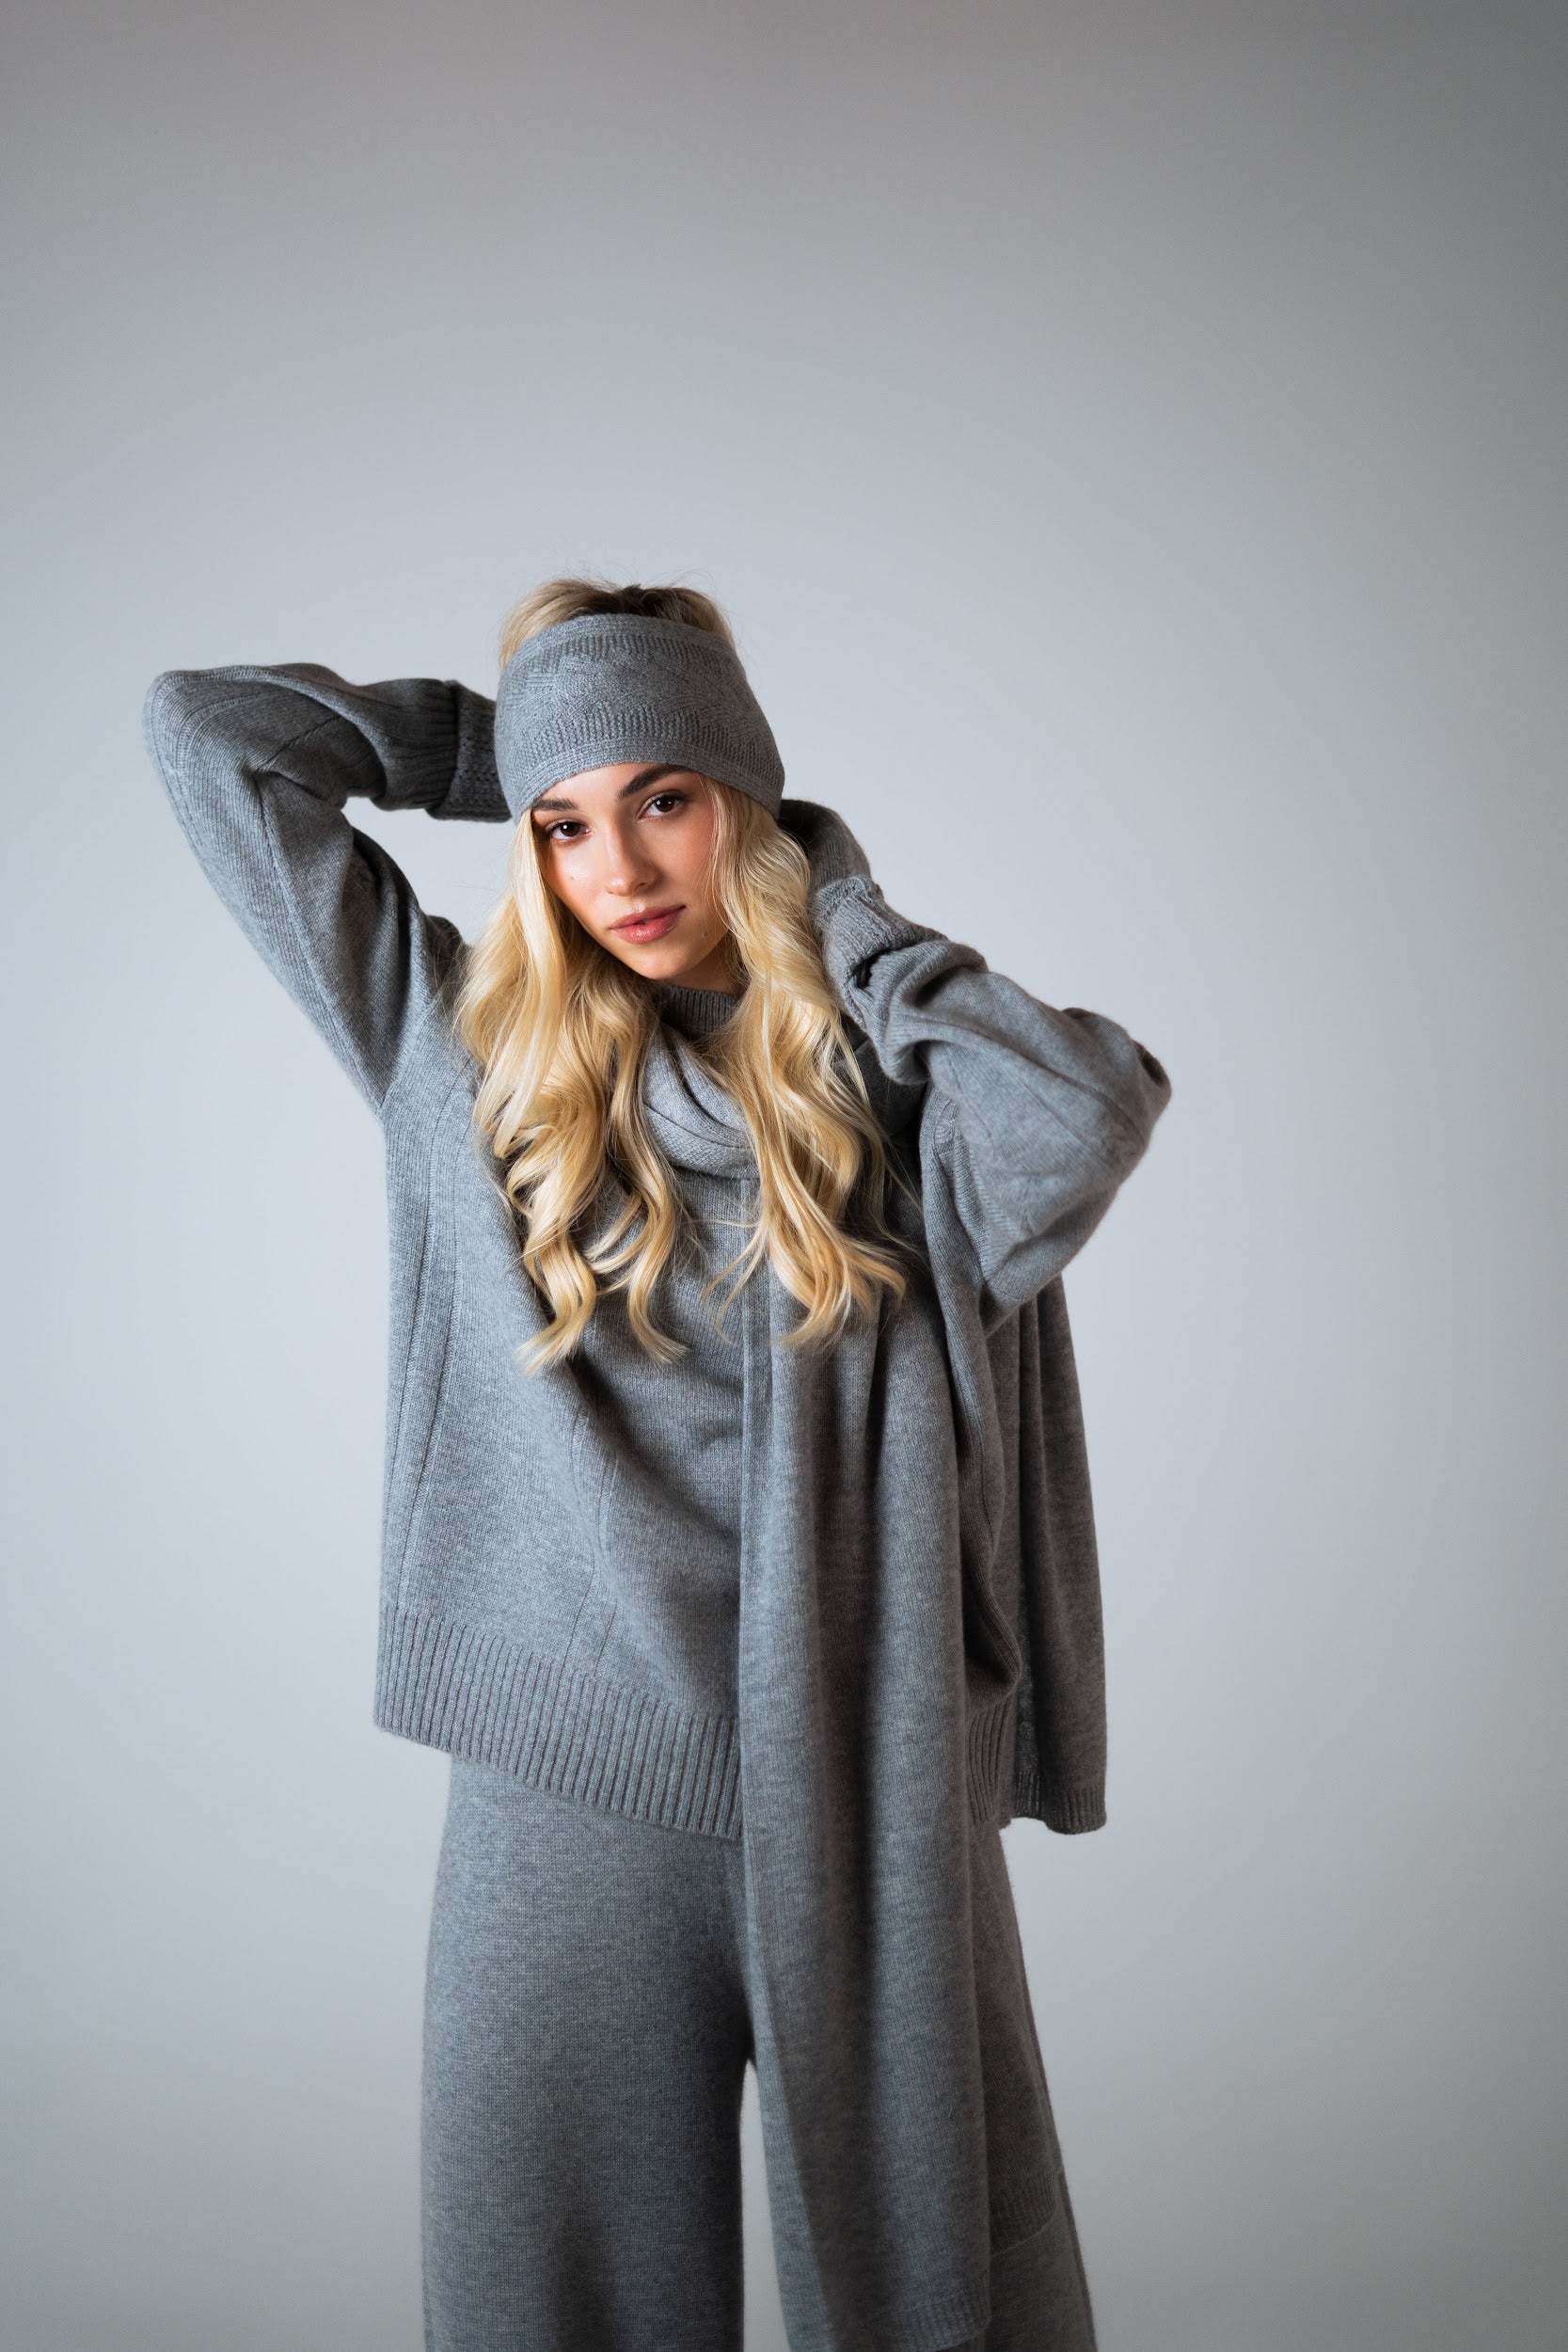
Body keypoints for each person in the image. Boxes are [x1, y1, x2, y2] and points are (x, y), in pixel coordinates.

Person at [142, 578, 1172, 2352]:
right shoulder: (456, 1046)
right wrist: (517, 742)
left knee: (949, 2299)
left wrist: (841, 910)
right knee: (547, 2311)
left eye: (666, 799)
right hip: (567, 1806)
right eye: (564, 825)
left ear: (744, 801)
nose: (615, 867)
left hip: (867, 1780)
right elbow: (205, 732)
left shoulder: (895, 1094)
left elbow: (1081, 1114)